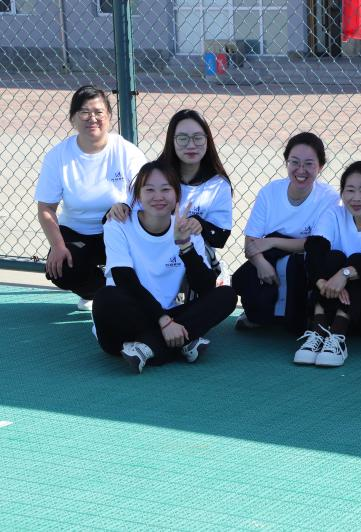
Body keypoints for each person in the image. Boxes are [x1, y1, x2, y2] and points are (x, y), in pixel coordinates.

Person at [92, 161, 237, 374]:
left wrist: (185, 246)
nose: (158, 196)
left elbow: (206, 287)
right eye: (149, 190)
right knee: (105, 297)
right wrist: (164, 322)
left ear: (177, 195)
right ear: (137, 196)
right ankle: (182, 342)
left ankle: (147, 348)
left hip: (172, 314)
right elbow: (124, 280)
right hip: (130, 319)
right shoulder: (118, 224)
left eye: (166, 189)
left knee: (227, 295)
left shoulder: (187, 227)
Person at [34, 85, 146, 311]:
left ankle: (136, 291)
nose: (92, 118)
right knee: (60, 268)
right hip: (77, 231)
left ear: (109, 116)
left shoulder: (126, 151)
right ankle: (100, 292)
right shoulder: (58, 156)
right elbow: (46, 208)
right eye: (84, 112)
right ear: (73, 119)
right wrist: (57, 246)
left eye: (98, 112)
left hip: (118, 229)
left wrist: (125, 204)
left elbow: (146, 193)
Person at [294, 160, 361, 367]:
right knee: (332, 257)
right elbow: (314, 250)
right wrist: (322, 283)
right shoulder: (333, 215)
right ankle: (319, 331)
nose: (356, 198)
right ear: (342, 192)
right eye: (350, 190)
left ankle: (337, 337)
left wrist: (345, 274)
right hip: (333, 304)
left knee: (359, 261)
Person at [109, 109, 233, 284]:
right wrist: (121, 207)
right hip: (152, 250)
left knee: (212, 286)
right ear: (171, 140)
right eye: (182, 138)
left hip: (189, 250)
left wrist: (200, 224)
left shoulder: (218, 184)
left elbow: (220, 236)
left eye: (198, 138)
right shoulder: (154, 174)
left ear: (208, 140)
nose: (191, 145)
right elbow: (131, 212)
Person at [232, 132, 339, 333]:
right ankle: (263, 313)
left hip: (307, 265)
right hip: (270, 260)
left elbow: (317, 244)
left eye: (309, 164)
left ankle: (302, 315)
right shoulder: (269, 192)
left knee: (303, 265)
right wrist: (261, 263)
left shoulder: (329, 198)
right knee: (245, 280)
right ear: (286, 162)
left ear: (321, 166)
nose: (301, 170)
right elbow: (250, 243)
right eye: (294, 162)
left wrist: (272, 241)